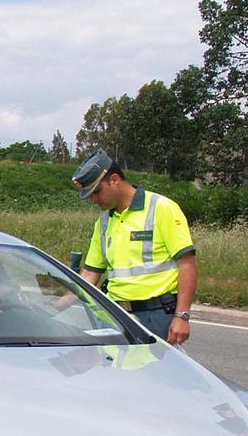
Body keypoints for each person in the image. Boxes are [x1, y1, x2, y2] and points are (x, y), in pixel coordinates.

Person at [72, 148, 197, 345]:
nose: (93, 200)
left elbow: (187, 264)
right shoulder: (104, 222)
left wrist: (182, 316)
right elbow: (90, 274)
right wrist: (58, 301)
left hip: (156, 316)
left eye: (96, 192)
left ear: (114, 180)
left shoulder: (161, 208)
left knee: (155, 375)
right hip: (115, 315)